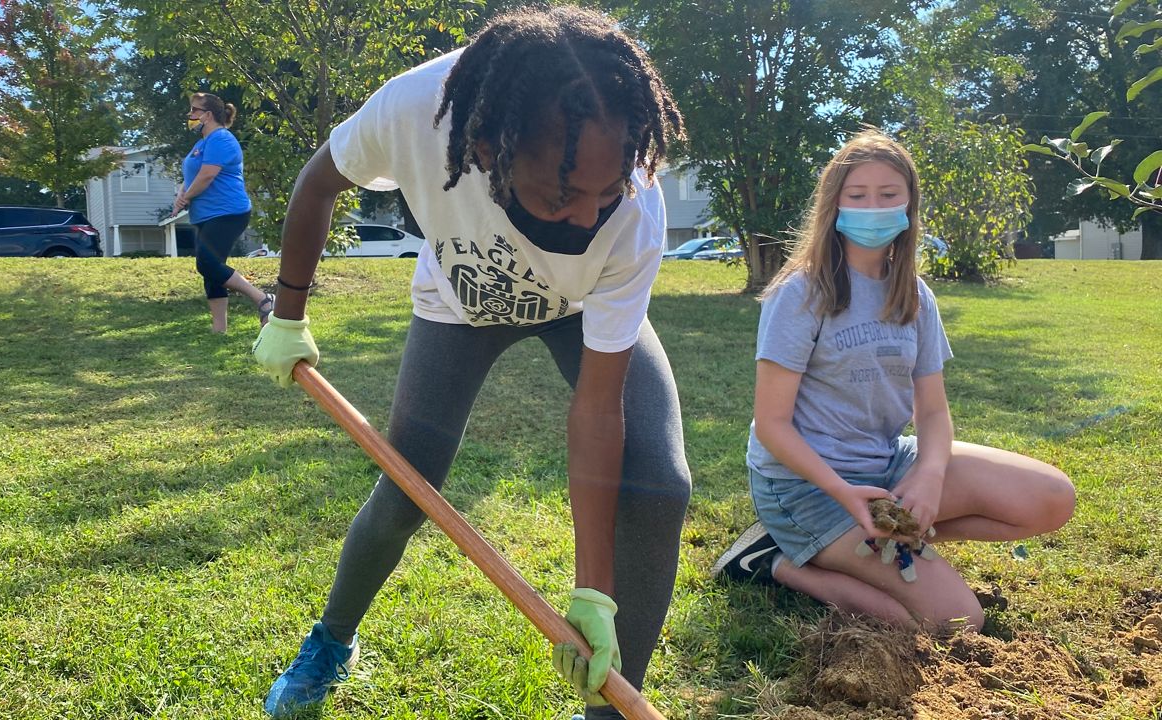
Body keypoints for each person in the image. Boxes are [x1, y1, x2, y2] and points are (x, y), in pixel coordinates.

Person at [250, 7, 689, 718]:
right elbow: (318, 183)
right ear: (485, 148)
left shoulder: (636, 211)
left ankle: (610, 708)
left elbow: (597, 406)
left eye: (605, 195)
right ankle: (331, 642)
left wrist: (593, 590)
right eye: (563, 194)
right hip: (461, 304)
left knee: (660, 483)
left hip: (581, 309)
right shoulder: (414, 110)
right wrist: (290, 316)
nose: (589, 219)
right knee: (406, 487)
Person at [713, 130, 1075, 631]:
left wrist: (929, 475)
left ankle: (886, 544)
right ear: (834, 205)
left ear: (909, 204)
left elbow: (933, 411)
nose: (873, 208)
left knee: (1052, 497)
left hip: (886, 465)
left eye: (888, 195)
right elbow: (772, 425)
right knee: (956, 621)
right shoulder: (801, 291)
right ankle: (777, 561)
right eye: (857, 195)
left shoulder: (915, 295)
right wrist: (843, 492)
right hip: (807, 489)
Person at [174, 92, 269, 333]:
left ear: (207, 115)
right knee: (213, 270)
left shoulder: (221, 139)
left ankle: (263, 300)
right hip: (205, 215)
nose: (190, 115)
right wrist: (181, 194)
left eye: (194, 110)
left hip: (227, 212)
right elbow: (192, 174)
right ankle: (219, 330)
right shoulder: (201, 144)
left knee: (207, 264)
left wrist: (187, 197)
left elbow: (207, 175)